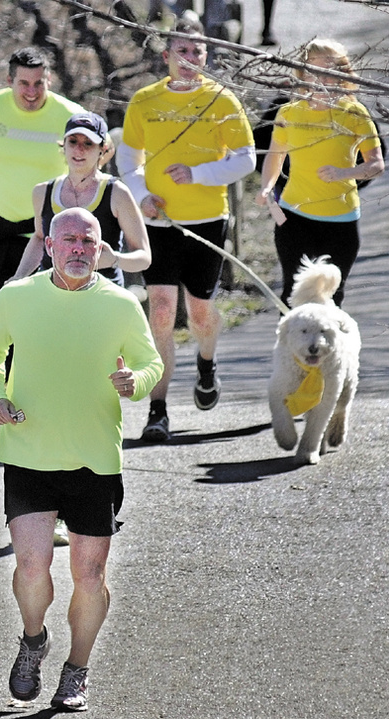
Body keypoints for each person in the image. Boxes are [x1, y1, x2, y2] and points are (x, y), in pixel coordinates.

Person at [0, 208, 163, 711]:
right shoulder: (16, 296)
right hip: (29, 450)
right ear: (49, 246)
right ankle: (33, 640)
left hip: (95, 459)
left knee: (89, 574)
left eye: (89, 240)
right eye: (69, 240)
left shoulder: (122, 304)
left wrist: (136, 382)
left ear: (100, 250)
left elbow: (150, 362)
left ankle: (77, 669)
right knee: (32, 566)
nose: (79, 248)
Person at [116, 17, 255, 442]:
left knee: (198, 310)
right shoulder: (145, 100)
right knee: (159, 309)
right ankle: (158, 410)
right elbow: (127, 158)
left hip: (206, 222)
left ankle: (207, 365)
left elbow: (246, 159)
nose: (190, 59)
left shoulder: (221, 100)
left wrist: (197, 173)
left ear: (206, 56)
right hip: (157, 221)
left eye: (197, 51)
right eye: (182, 51)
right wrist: (141, 194)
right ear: (167, 56)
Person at [0, 47, 86, 326]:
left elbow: (102, 149)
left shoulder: (70, 115)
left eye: (38, 83)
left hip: (49, 227)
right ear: (10, 81)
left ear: (49, 81)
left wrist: (77, 184)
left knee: (49, 315)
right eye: (23, 83)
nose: (31, 91)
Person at [255, 38, 383, 308]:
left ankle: (329, 351)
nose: (321, 78)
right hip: (293, 217)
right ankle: (289, 350)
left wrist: (343, 173)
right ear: (302, 74)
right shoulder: (288, 112)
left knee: (331, 298)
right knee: (294, 293)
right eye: (314, 70)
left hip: (341, 220)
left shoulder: (355, 113)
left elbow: (376, 165)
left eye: (329, 70)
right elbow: (275, 156)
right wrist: (267, 187)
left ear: (342, 75)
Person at [10, 111, 151, 285]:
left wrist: (114, 259)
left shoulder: (116, 192)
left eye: (88, 143)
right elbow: (40, 238)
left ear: (103, 149)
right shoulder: (42, 192)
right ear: (64, 146)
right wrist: (19, 277)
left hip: (102, 293)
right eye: (73, 141)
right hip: (53, 292)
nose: (79, 150)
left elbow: (144, 257)